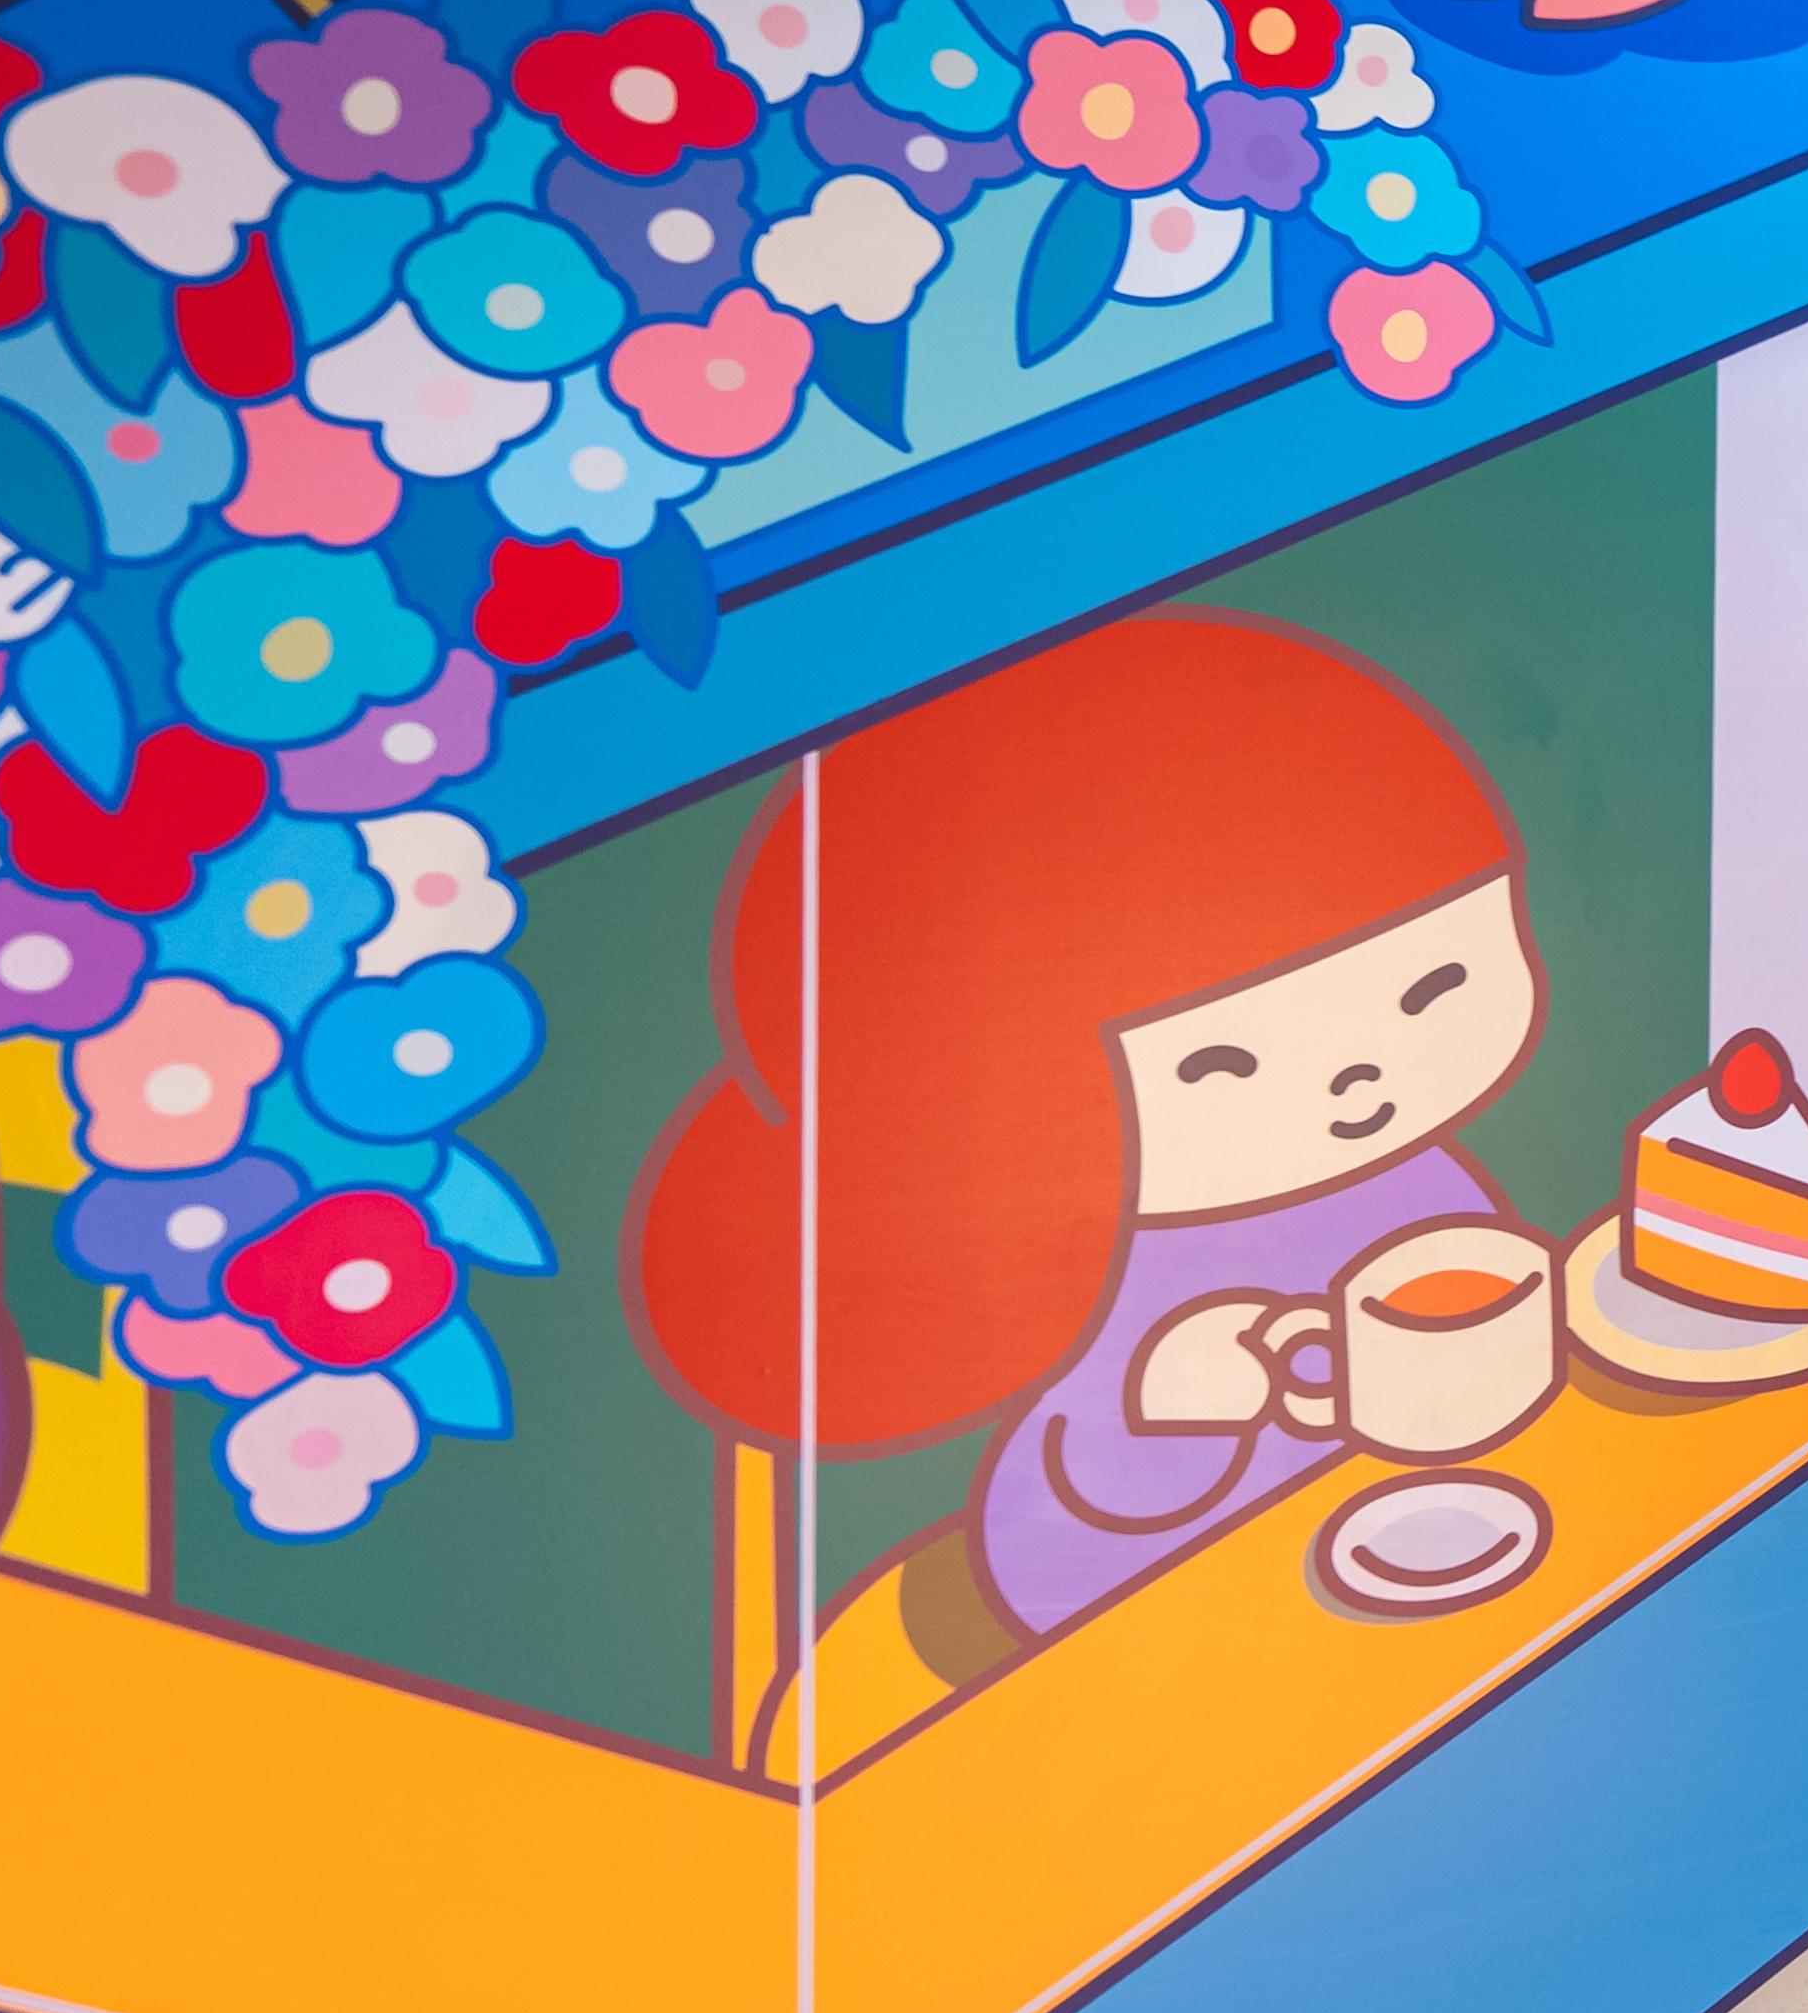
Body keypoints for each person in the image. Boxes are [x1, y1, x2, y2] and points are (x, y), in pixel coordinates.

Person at [629, 611, 1548, 1656]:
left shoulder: (1422, 1185)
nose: (1359, 1078)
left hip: (1407, 1548)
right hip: (1146, 1626)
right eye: (1219, 1066)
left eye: (1436, 989)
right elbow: (1054, 1530)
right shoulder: (1081, 1257)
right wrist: (1169, 1408)